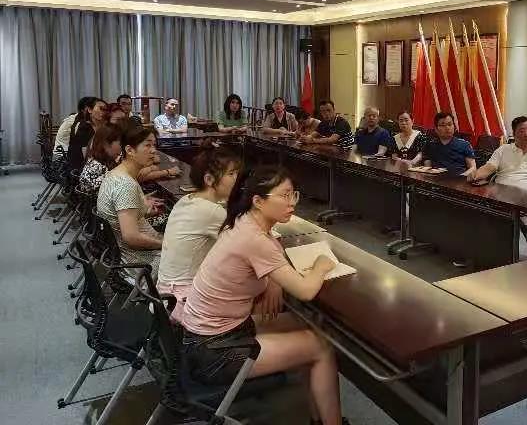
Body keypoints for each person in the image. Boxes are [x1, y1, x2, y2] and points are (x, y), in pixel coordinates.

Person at [181, 166, 344, 424]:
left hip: (207, 335)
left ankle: (318, 419)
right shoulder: (255, 239)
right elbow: (305, 291)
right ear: (258, 201)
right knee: (321, 346)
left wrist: (273, 283)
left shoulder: (241, 221)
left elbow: (265, 256)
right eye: (284, 196)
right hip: (214, 351)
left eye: (294, 195)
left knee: (306, 325)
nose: (292, 203)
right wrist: (321, 265)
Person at [157, 147, 242, 322]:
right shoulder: (212, 211)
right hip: (182, 301)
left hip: (164, 296)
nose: (236, 179)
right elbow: (245, 245)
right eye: (231, 174)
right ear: (209, 179)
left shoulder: (186, 200)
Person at [96, 126, 164, 278]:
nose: (153, 151)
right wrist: (166, 244)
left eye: (154, 145)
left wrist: (144, 210)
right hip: (138, 262)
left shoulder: (117, 173)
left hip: (126, 253)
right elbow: (131, 237)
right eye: (148, 145)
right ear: (130, 150)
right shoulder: (125, 185)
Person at [467, 116, 527, 194]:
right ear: (514, 134)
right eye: (521, 131)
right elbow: (489, 168)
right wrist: (475, 175)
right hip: (500, 195)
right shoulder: (503, 149)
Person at [422, 112, 476, 176]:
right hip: (436, 179)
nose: (447, 128)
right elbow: (427, 168)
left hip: (459, 179)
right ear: (436, 129)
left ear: (454, 126)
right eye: (443, 125)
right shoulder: (430, 145)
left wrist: (461, 177)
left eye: (450, 124)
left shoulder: (464, 145)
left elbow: (473, 168)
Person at [78, 123, 123, 195]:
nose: (122, 148)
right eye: (120, 144)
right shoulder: (98, 167)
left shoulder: (95, 161)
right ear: (106, 144)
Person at [66, 97, 108, 174]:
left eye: (105, 110)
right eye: (101, 108)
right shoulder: (84, 127)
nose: (103, 112)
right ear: (90, 110)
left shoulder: (103, 127)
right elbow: (85, 154)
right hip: (81, 168)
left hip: (94, 163)